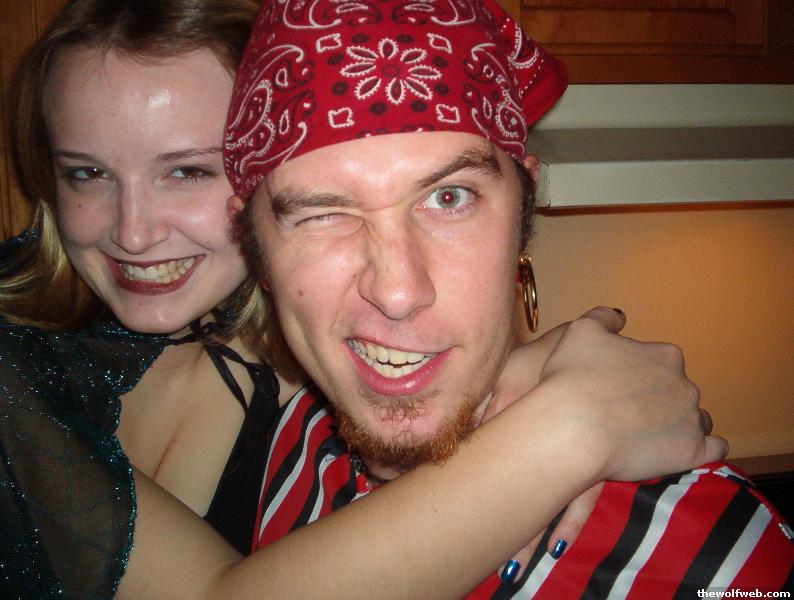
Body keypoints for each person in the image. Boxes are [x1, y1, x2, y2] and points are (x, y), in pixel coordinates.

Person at [0, 0, 728, 598]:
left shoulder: (288, 361)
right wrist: (572, 425)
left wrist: (544, 372)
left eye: (187, 170)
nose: (133, 232)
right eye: (86, 173)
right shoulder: (23, 366)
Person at [221, 0, 794, 595]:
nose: (397, 293)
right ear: (256, 251)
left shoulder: (713, 561)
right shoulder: (286, 436)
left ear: (524, 212)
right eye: (321, 214)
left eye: (449, 197)